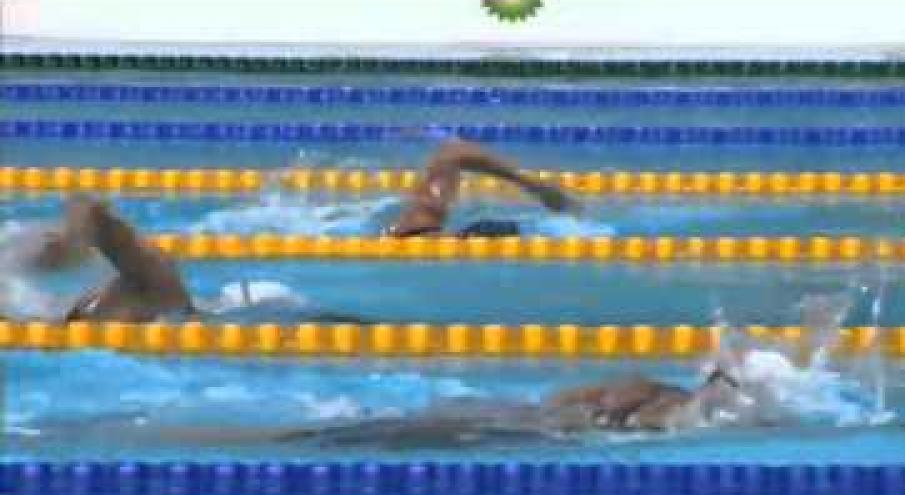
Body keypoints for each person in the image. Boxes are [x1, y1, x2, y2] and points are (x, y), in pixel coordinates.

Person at [9, 140, 577, 323]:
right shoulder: (419, 234)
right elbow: (452, 152)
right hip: (269, 300)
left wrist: (71, 243)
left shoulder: (147, 296)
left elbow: (90, 210)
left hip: (266, 302)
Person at [385, 138, 579, 238]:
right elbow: (451, 153)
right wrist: (533, 186)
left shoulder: (419, 216)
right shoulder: (420, 218)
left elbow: (451, 153)